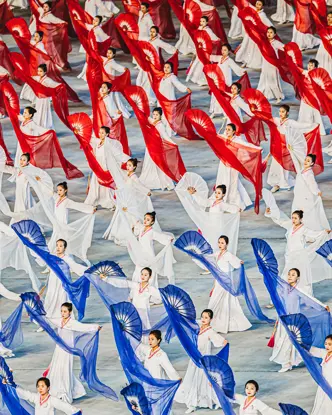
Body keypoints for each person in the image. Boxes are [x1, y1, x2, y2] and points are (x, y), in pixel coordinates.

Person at [270, 268, 328, 372]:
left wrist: (322, 306)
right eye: (289, 274)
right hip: (284, 319)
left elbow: (310, 299)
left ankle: (287, 363)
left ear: (298, 278)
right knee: (284, 341)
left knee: (291, 342)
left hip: (294, 321)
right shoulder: (284, 289)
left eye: (293, 275)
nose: (290, 276)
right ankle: (287, 362)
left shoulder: (298, 290)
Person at [46, 303, 101, 403]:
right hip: (59, 349)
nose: (63, 313)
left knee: (65, 370)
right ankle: (62, 390)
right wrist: (36, 315)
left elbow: (84, 327)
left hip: (68, 350)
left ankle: (66, 392)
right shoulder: (59, 321)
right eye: (61, 311)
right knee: (57, 368)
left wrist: (95, 327)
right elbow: (48, 319)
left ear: (70, 312)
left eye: (65, 311)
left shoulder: (72, 323)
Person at [265, 207, 331, 290]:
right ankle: (282, 293)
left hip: (299, 255)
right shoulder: (290, 226)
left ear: (300, 219)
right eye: (292, 218)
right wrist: (271, 213)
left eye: (295, 218)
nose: (293, 220)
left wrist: (324, 232)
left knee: (300, 275)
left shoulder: (303, 229)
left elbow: (314, 234)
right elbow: (281, 221)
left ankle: (302, 294)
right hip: (290, 255)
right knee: (287, 273)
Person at [175, 309, 228, 413]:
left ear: (210, 319)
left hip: (203, 361)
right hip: (194, 358)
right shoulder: (198, 326)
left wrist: (225, 345)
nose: (203, 319)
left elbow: (222, 341)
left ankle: (218, 401)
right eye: (202, 317)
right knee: (192, 379)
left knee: (207, 381)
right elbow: (188, 322)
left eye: (206, 318)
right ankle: (192, 403)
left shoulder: (210, 332)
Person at [207, 235, 251, 333]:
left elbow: (237, 263)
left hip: (225, 281)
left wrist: (240, 262)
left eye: (222, 243)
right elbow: (208, 257)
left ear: (226, 244)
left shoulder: (228, 255)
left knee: (221, 301)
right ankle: (212, 320)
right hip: (218, 281)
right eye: (219, 242)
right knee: (219, 300)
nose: (220, 244)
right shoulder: (218, 253)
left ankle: (215, 322)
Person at [267, 105, 316, 193]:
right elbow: (267, 117)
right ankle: (276, 184)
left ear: (287, 113)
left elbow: (301, 126)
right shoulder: (277, 120)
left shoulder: (290, 122)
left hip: (286, 147)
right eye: (280, 111)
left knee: (284, 165)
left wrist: (313, 125)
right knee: (275, 165)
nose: (281, 113)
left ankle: (284, 183)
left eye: (283, 111)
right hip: (277, 146)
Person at [41, 239, 87, 323]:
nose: (58, 248)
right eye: (57, 245)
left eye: (61, 246)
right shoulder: (52, 257)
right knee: (50, 300)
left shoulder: (67, 259)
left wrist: (89, 270)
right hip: (52, 284)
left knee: (63, 300)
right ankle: (47, 321)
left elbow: (76, 267)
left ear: (65, 248)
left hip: (62, 285)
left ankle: (66, 321)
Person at [101, 267, 162, 331]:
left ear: (150, 276)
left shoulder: (151, 289)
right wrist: (106, 279)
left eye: (145, 275)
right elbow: (122, 283)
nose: (143, 276)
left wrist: (151, 302)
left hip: (143, 312)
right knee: (132, 329)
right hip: (134, 311)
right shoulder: (136, 285)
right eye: (142, 274)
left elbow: (161, 298)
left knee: (144, 329)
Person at [85, 126, 129, 208]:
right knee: (96, 183)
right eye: (99, 132)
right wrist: (79, 134)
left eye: (102, 133)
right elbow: (89, 139)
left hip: (105, 167)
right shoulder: (98, 142)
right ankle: (95, 198)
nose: (100, 134)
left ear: (107, 134)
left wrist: (128, 159)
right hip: (98, 166)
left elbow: (118, 153)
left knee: (107, 185)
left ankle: (109, 200)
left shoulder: (109, 144)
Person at [215, 123, 254, 210]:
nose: (227, 131)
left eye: (229, 130)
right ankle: (223, 200)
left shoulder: (237, 140)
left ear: (234, 132)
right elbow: (214, 136)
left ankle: (238, 204)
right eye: (226, 129)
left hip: (232, 165)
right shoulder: (224, 137)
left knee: (233, 183)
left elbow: (247, 146)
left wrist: (257, 149)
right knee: (223, 180)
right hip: (223, 164)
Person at [132, 211, 174, 286]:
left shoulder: (152, 232)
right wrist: (134, 226)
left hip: (149, 254)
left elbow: (160, 236)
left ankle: (151, 288)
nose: (145, 221)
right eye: (144, 219)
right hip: (141, 254)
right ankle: (137, 288)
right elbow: (135, 232)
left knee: (150, 271)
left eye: (148, 220)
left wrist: (168, 239)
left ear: (152, 222)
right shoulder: (142, 228)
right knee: (138, 269)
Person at [140, 107, 177, 190]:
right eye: (154, 114)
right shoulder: (153, 122)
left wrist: (173, 143)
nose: (155, 116)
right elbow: (146, 117)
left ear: (160, 115)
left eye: (157, 114)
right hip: (150, 147)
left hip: (156, 148)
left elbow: (165, 136)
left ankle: (165, 182)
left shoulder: (160, 126)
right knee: (149, 164)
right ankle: (150, 179)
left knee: (159, 165)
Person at [291, 153, 329, 231]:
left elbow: (312, 184)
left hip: (306, 197)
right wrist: (292, 151)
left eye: (308, 161)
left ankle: (311, 231)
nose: (305, 162)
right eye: (305, 160)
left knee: (307, 213)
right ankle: (301, 229)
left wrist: (317, 191)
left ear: (312, 163)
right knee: (299, 211)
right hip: (300, 195)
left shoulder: (309, 173)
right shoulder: (303, 170)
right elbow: (296, 161)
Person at [210, 44, 245, 118]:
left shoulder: (229, 61)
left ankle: (226, 113)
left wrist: (242, 71)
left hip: (225, 82)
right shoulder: (219, 58)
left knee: (225, 97)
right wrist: (201, 51)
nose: (223, 51)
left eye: (225, 50)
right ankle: (215, 111)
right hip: (217, 81)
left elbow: (236, 68)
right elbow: (211, 57)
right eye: (222, 50)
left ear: (229, 51)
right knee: (216, 96)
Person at [236, 0, 272, 69]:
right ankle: (246, 60)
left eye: (260, 4)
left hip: (257, 34)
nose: (258, 6)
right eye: (257, 4)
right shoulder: (253, 11)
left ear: (262, 6)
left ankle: (252, 61)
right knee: (246, 46)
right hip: (250, 33)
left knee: (255, 48)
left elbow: (268, 24)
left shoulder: (262, 15)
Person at [16, 377, 81, 415]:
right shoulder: (36, 397)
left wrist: (75, 411)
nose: (40, 388)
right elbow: (26, 394)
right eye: (38, 386)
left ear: (48, 388)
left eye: (42, 386)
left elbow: (63, 405)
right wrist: (13, 387)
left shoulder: (52, 400)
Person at [186, 16, 220, 86]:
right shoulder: (199, 28)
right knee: (197, 63)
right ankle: (196, 78)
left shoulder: (208, 30)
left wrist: (217, 39)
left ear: (207, 22)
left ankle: (204, 80)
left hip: (205, 50)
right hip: (199, 49)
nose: (202, 23)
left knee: (202, 64)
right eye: (201, 21)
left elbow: (214, 38)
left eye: (203, 21)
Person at [24, 64, 60, 130]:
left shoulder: (48, 80)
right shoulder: (38, 78)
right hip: (39, 98)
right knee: (38, 111)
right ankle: (38, 126)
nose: (39, 73)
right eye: (38, 71)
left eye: (40, 71)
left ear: (45, 72)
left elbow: (56, 85)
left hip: (45, 99)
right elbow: (32, 79)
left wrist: (60, 87)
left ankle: (45, 126)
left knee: (44, 112)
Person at [298, 59, 326, 135]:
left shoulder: (317, 76)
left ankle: (318, 130)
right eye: (309, 64)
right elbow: (297, 69)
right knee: (304, 113)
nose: (309, 66)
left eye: (311, 65)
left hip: (313, 98)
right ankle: (305, 129)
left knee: (315, 114)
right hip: (305, 97)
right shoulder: (305, 73)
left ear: (315, 67)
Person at [101, 48, 131, 118]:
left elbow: (119, 67)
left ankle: (115, 111)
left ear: (114, 54)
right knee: (110, 98)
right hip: (105, 82)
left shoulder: (112, 63)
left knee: (112, 98)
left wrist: (125, 69)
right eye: (108, 52)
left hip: (110, 83)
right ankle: (110, 111)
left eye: (110, 53)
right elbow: (100, 57)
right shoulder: (106, 60)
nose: (108, 54)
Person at [257, 27, 284, 103]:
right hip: (265, 64)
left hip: (273, 65)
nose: (269, 34)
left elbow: (285, 48)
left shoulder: (276, 43)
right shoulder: (264, 42)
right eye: (268, 32)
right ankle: (260, 95)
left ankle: (279, 97)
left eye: (271, 32)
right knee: (263, 79)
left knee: (274, 81)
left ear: (275, 34)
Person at [310, 334, 332, 414]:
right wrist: (300, 344)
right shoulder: (325, 353)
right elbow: (314, 350)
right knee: (322, 399)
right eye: (325, 343)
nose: (327, 346)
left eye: (330, 344)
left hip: (331, 383)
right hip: (324, 382)